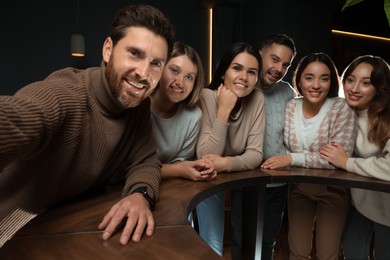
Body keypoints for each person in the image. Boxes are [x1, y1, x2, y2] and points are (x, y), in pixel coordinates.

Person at [0, 4, 175, 248]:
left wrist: (141, 195)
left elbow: (145, 160)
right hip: (8, 225)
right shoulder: (67, 93)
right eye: (134, 53)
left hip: (55, 229)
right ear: (107, 50)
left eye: (156, 63)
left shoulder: (137, 106)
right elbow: (18, 117)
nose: (144, 73)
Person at [261, 52, 357, 260]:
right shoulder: (291, 106)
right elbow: (284, 147)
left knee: (326, 255)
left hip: (332, 191)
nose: (316, 85)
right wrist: (301, 156)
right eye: (309, 77)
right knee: (297, 253)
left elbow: (338, 159)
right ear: (299, 80)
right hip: (299, 189)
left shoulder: (341, 108)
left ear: (331, 81)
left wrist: (292, 159)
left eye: (324, 78)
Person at [195, 42, 265, 257]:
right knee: (212, 246)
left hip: (233, 174)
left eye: (251, 72)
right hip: (205, 178)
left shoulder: (257, 99)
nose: (244, 77)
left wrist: (225, 163)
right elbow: (204, 155)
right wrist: (223, 111)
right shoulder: (207, 96)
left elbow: (255, 154)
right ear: (223, 70)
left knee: (248, 241)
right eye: (237, 68)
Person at [320, 55, 390, 260]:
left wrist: (346, 162)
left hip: (388, 206)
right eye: (350, 80)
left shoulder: (387, 118)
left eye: (366, 83)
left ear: (380, 88)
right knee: (351, 252)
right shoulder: (341, 112)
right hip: (358, 203)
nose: (355, 88)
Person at [255, 33, 298, 260]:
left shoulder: (288, 92)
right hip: (247, 181)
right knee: (243, 240)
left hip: (278, 183)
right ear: (259, 53)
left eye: (285, 64)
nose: (279, 68)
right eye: (274, 59)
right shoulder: (243, 87)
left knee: (268, 241)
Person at [150, 41, 215, 182]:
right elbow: (129, 168)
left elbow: (181, 163)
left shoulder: (193, 116)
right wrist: (179, 169)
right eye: (174, 70)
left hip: (169, 186)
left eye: (189, 77)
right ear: (160, 69)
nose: (180, 82)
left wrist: (198, 167)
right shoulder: (137, 106)